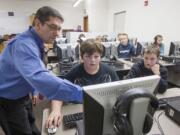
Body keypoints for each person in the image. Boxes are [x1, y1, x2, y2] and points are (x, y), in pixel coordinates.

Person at [0, 6, 82, 135]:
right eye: (53, 27)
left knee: (32, 127)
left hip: (23, 95)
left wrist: (35, 89)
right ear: (38, 24)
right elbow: (38, 76)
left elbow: (31, 68)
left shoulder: (36, 41)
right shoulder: (24, 45)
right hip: (8, 100)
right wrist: (83, 94)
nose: (58, 34)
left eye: (59, 28)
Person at [46, 39, 119, 128]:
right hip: (79, 108)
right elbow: (59, 91)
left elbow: (119, 91)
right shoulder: (75, 72)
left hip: (102, 109)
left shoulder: (109, 71)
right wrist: (55, 111)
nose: (92, 60)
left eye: (96, 56)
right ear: (82, 57)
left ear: (101, 56)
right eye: (88, 56)